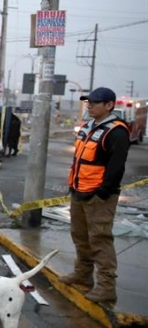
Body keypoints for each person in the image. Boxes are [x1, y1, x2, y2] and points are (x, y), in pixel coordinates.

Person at [58, 87, 130, 305]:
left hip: (98, 197)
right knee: (80, 236)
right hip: (79, 192)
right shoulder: (89, 127)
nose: (89, 105)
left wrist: (102, 193)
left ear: (109, 105)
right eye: (88, 102)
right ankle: (83, 273)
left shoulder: (116, 131)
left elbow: (116, 168)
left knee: (100, 240)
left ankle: (107, 287)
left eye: (94, 102)